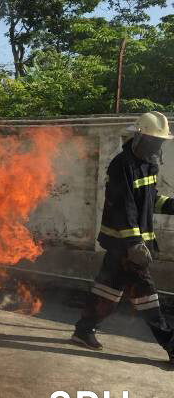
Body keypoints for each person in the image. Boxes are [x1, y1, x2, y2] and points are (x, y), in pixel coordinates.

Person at [72, 112, 174, 362]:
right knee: (146, 294)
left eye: (159, 142)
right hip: (125, 244)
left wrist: (171, 205)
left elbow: (148, 201)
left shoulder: (149, 164)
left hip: (134, 244)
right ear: (138, 137)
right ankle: (171, 345)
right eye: (153, 141)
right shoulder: (123, 165)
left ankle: (83, 330)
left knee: (108, 289)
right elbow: (124, 207)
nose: (156, 146)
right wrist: (134, 243)